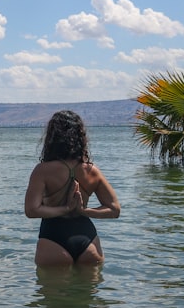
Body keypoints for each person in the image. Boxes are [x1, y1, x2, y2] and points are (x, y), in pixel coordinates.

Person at [24, 110, 120, 267]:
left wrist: (65, 209)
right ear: (80, 137)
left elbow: (31, 210)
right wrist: (83, 211)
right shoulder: (91, 170)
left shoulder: (43, 170)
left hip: (53, 237)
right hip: (88, 239)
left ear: (51, 137)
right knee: (86, 291)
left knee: (52, 290)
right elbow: (114, 210)